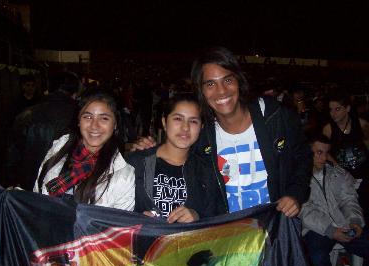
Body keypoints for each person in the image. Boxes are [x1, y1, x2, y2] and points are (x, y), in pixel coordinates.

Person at [132, 47, 312, 217]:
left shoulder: (275, 117)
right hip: (227, 236)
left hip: (275, 229)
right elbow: (179, 160)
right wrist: (149, 151)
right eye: (210, 84)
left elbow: (303, 157)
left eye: (227, 80)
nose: (221, 91)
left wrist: (295, 194)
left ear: (239, 81)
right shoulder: (202, 135)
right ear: (201, 90)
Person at [126, 93, 224, 223]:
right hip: (142, 241)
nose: (185, 127)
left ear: (201, 127)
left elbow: (218, 216)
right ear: (164, 122)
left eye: (193, 121)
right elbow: (114, 209)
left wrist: (198, 216)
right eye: (178, 119)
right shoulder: (136, 163)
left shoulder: (207, 170)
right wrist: (135, 218)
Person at [34, 91, 135, 209]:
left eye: (104, 118)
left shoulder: (124, 175)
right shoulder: (60, 147)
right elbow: (37, 193)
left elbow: (120, 224)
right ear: (78, 121)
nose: (94, 125)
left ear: (115, 124)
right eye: (87, 117)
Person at [300, 134, 369, 266]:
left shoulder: (338, 173)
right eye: (318, 152)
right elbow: (304, 210)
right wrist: (330, 230)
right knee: (316, 256)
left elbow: (350, 200)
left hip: (345, 224)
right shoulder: (298, 178)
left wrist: (355, 221)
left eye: (326, 152)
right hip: (317, 229)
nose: (324, 157)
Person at [6, 71, 81, 190]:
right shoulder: (81, 117)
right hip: (63, 186)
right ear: (75, 93)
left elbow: (13, 153)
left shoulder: (26, 115)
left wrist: (14, 181)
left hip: (28, 183)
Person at [323, 89, 369, 224]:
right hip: (344, 178)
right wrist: (342, 173)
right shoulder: (328, 129)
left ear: (347, 108)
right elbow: (325, 153)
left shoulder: (362, 125)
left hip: (364, 174)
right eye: (331, 110)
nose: (333, 113)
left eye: (337, 109)